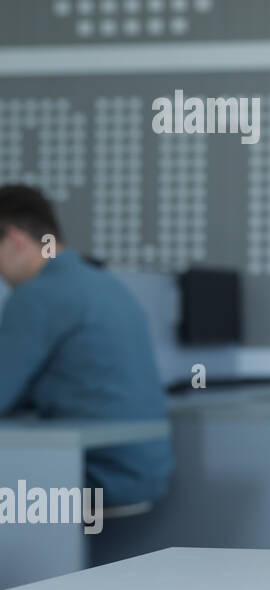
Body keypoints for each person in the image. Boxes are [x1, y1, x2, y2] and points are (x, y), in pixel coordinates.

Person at [0, 184, 172, 506]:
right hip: (142, 468)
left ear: (16, 240)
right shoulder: (105, 285)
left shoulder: (37, 295)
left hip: (99, 475)